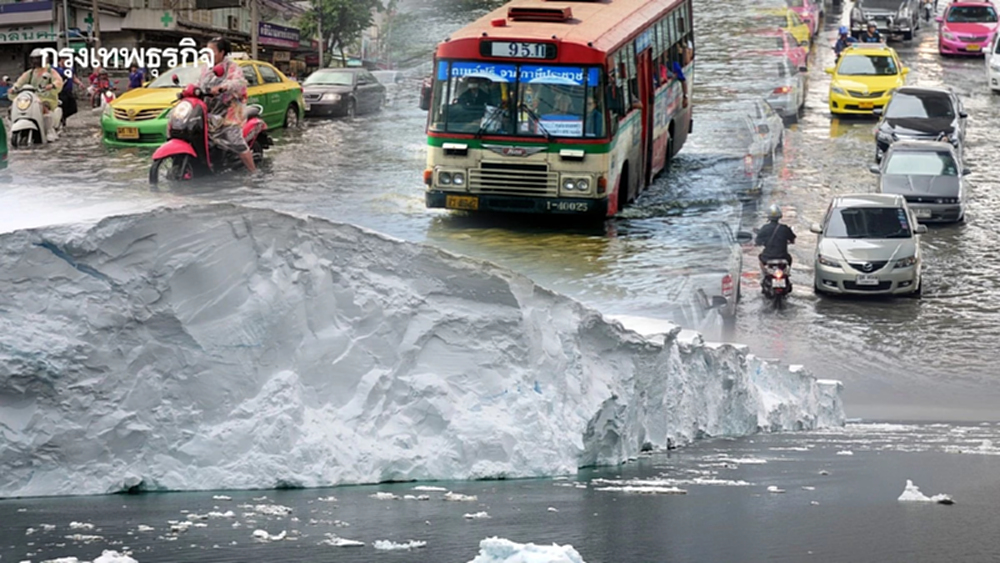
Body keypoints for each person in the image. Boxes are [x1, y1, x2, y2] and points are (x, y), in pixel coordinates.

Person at [198, 36, 257, 174]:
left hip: (229, 110)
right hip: (210, 110)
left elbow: (240, 83)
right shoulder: (206, 68)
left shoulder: (232, 67)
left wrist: (224, 87)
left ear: (222, 52)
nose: (208, 54)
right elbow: (199, 84)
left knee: (234, 139)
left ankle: (253, 172)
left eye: (212, 51)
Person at [8, 48, 63, 140]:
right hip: (30, 98)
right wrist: (14, 88)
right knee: (12, 109)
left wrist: (51, 86)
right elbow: (20, 82)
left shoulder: (50, 71)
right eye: (34, 59)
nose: (35, 61)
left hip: (47, 98)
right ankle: (12, 129)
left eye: (38, 58)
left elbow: (58, 81)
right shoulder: (30, 73)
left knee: (45, 108)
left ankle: (49, 130)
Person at [755, 203, 796, 271]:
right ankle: (787, 277)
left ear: (768, 216)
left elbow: (758, 241)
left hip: (767, 257)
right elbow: (792, 238)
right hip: (783, 256)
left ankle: (764, 275)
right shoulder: (785, 228)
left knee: (760, 257)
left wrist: (759, 243)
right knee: (790, 258)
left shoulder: (765, 228)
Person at [55, 60, 83, 127]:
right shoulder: (56, 68)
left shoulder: (70, 68)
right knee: (62, 106)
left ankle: (64, 117)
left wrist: (79, 83)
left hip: (68, 91)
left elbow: (73, 77)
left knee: (73, 108)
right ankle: (61, 120)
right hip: (60, 91)